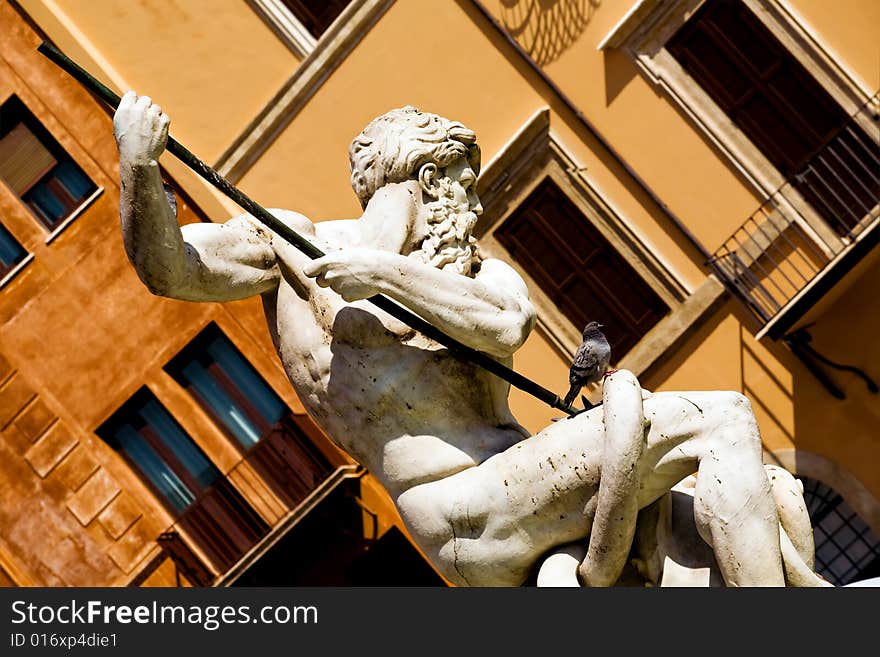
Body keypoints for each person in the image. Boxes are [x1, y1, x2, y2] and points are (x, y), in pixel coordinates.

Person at [113, 93, 817, 586]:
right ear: (427, 180)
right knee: (722, 416)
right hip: (458, 505)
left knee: (772, 494)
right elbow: (171, 267)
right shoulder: (292, 248)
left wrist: (385, 273)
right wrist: (141, 169)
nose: (476, 205)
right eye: (465, 185)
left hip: (526, 483)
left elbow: (506, 323)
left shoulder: (483, 272)